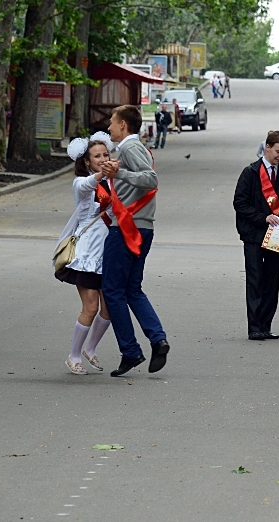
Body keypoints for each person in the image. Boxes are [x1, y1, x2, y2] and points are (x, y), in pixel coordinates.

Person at [102, 105, 169, 377]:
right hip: (141, 227)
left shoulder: (130, 147)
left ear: (123, 125)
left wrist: (120, 174)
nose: (109, 127)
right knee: (132, 288)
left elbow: (149, 179)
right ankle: (157, 338)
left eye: (112, 122)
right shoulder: (130, 149)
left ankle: (130, 351)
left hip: (128, 228)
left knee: (113, 290)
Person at [55, 133, 115, 375]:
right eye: (97, 156)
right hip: (87, 254)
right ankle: (74, 355)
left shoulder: (114, 182)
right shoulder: (82, 183)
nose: (102, 159)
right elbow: (90, 184)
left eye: (105, 155)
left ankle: (91, 348)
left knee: (110, 306)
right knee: (90, 307)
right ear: (87, 162)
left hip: (108, 252)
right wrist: (104, 173)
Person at [233, 131, 279, 340]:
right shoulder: (250, 172)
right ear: (267, 148)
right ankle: (254, 327)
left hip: (277, 235)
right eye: (278, 151)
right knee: (255, 279)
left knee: (272, 279)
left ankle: (266, 325)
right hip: (253, 233)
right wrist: (263, 217)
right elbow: (240, 204)